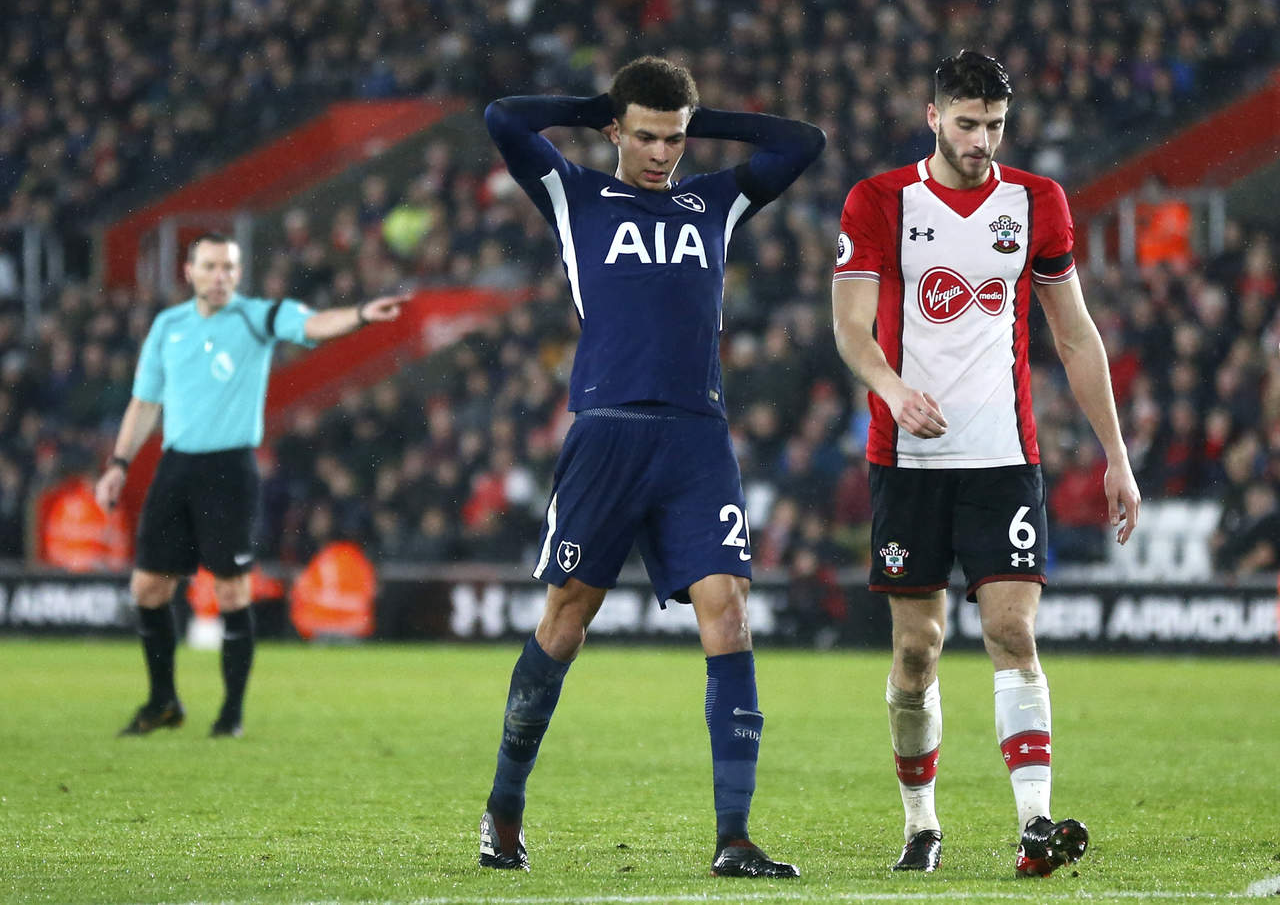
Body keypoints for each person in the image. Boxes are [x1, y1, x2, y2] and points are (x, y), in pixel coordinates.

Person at [479, 56, 824, 878]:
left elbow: (802, 141)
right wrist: (597, 102)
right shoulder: (576, 193)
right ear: (613, 130)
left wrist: (700, 120)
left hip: (697, 437)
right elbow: (503, 117)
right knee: (567, 620)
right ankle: (504, 809)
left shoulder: (716, 200)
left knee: (729, 611)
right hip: (605, 430)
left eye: (674, 137)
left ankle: (733, 838)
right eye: (645, 135)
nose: (663, 152)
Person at [830, 51, 1141, 878]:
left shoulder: (1037, 203)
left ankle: (1034, 828)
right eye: (966, 123)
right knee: (917, 653)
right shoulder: (880, 201)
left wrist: (1116, 454)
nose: (981, 139)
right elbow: (850, 327)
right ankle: (921, 825)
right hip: (907, 458)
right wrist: (893, 391)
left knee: (1011, 629)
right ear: (932, 117)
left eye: (995, 124)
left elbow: (1074, 335)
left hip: (1004, 455)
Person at [95, 233, 405, 739]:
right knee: (147, 587)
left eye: (229, 268)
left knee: (232, 590)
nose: (221, 277)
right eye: (211, 266)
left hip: (229, 469)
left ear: (238, 274)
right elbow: (145, 402)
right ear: (189, 271)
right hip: (175, 466)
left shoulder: (257, 317)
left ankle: (231, 714)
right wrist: (118, 464)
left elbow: (311, 325)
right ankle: (162, 701)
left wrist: (361, 314)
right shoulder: (167, 327)